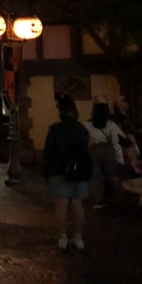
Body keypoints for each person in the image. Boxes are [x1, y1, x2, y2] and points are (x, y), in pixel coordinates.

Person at [43, 98, 91, 249]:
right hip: (78, 172)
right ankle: (78, 237)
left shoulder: (55, 130)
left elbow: (48, 153)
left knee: (61, 206)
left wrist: (46, 172)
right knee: (78, 205)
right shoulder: (82, 130)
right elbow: (85, 151)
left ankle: (63, 237)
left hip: (58, 170)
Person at [84, 102, 124, 210]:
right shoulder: (111, 124)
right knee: (109, 175)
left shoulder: (87, 124)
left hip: (93, 150)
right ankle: (110, 198)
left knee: (96, 176)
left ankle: (98, 200)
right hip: (107, 150)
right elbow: (116, 140)